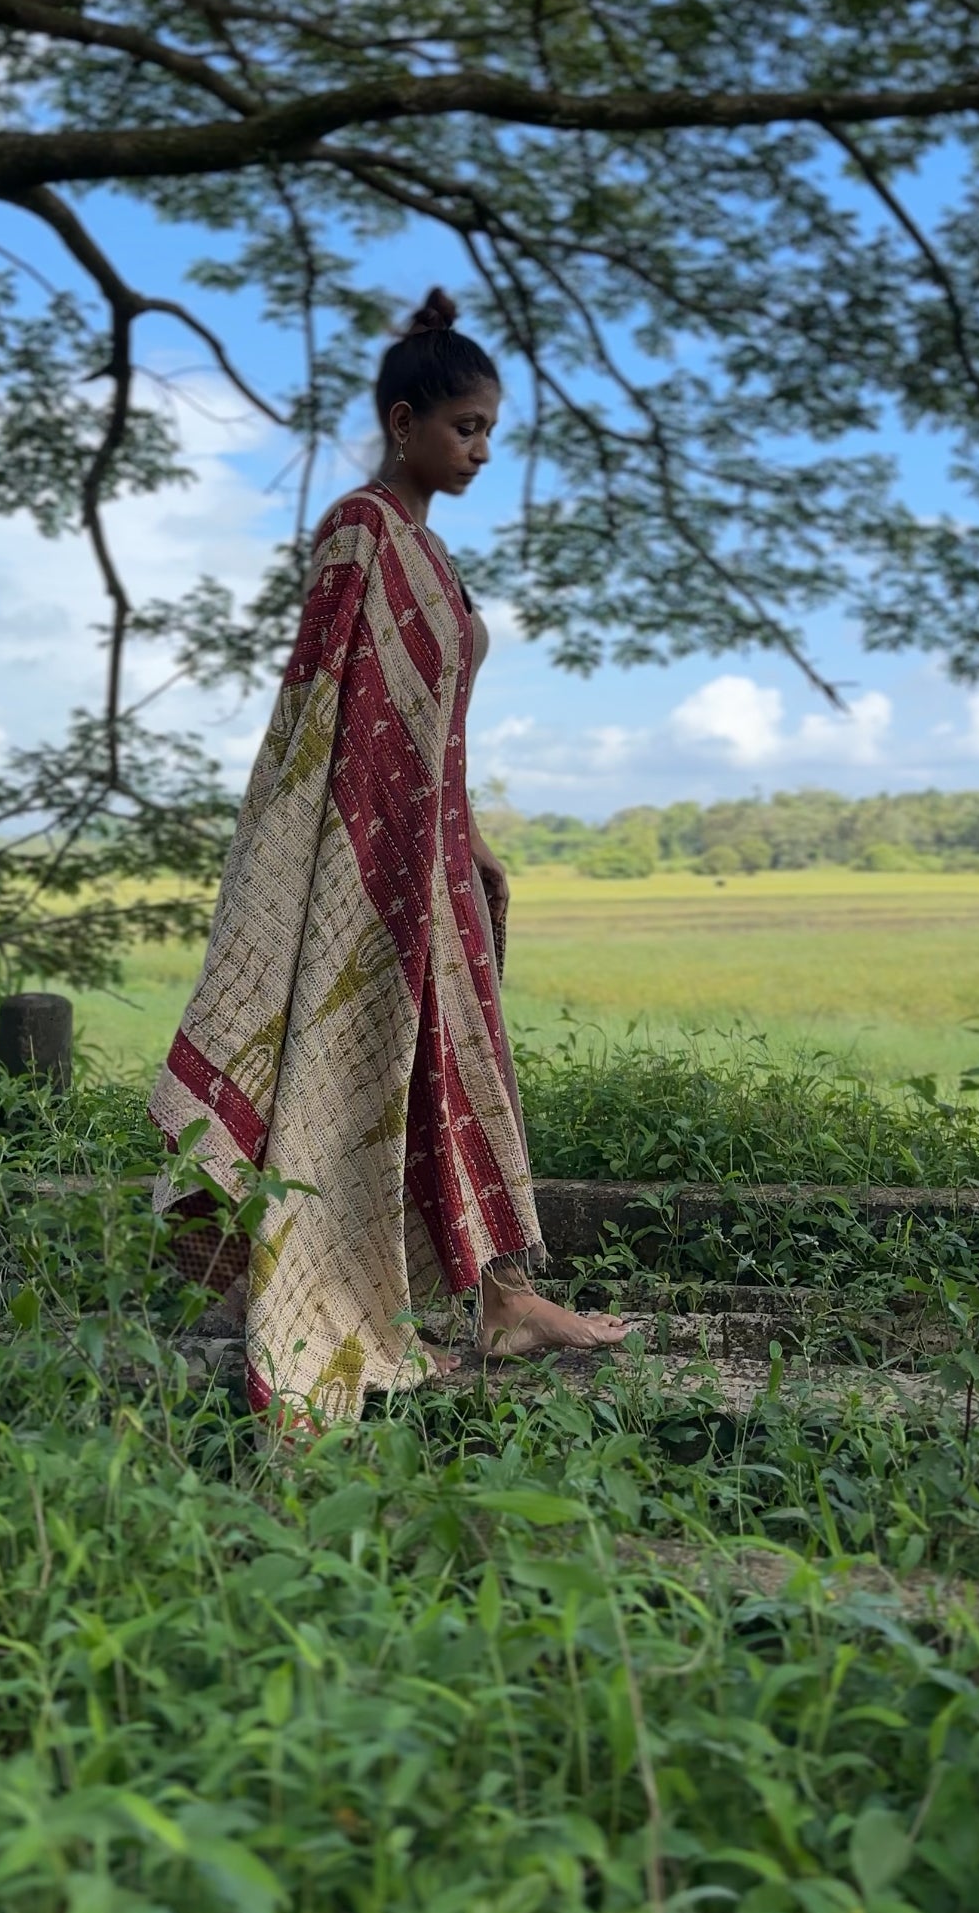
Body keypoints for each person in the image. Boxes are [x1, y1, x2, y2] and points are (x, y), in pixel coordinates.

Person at [149, 288, 627, 1425]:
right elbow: (320, 708)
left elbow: (429, 729)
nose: (480, 451)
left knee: (459, 1065)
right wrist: (345, 851)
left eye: (492, 434)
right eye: (465, 428)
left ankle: (502, 1299)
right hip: (359, 861)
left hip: (431, 857)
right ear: (405, 420)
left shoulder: (430, 553)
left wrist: (471, 842)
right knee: (353, 1059)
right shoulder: (362, 530)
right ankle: (295, 1279)